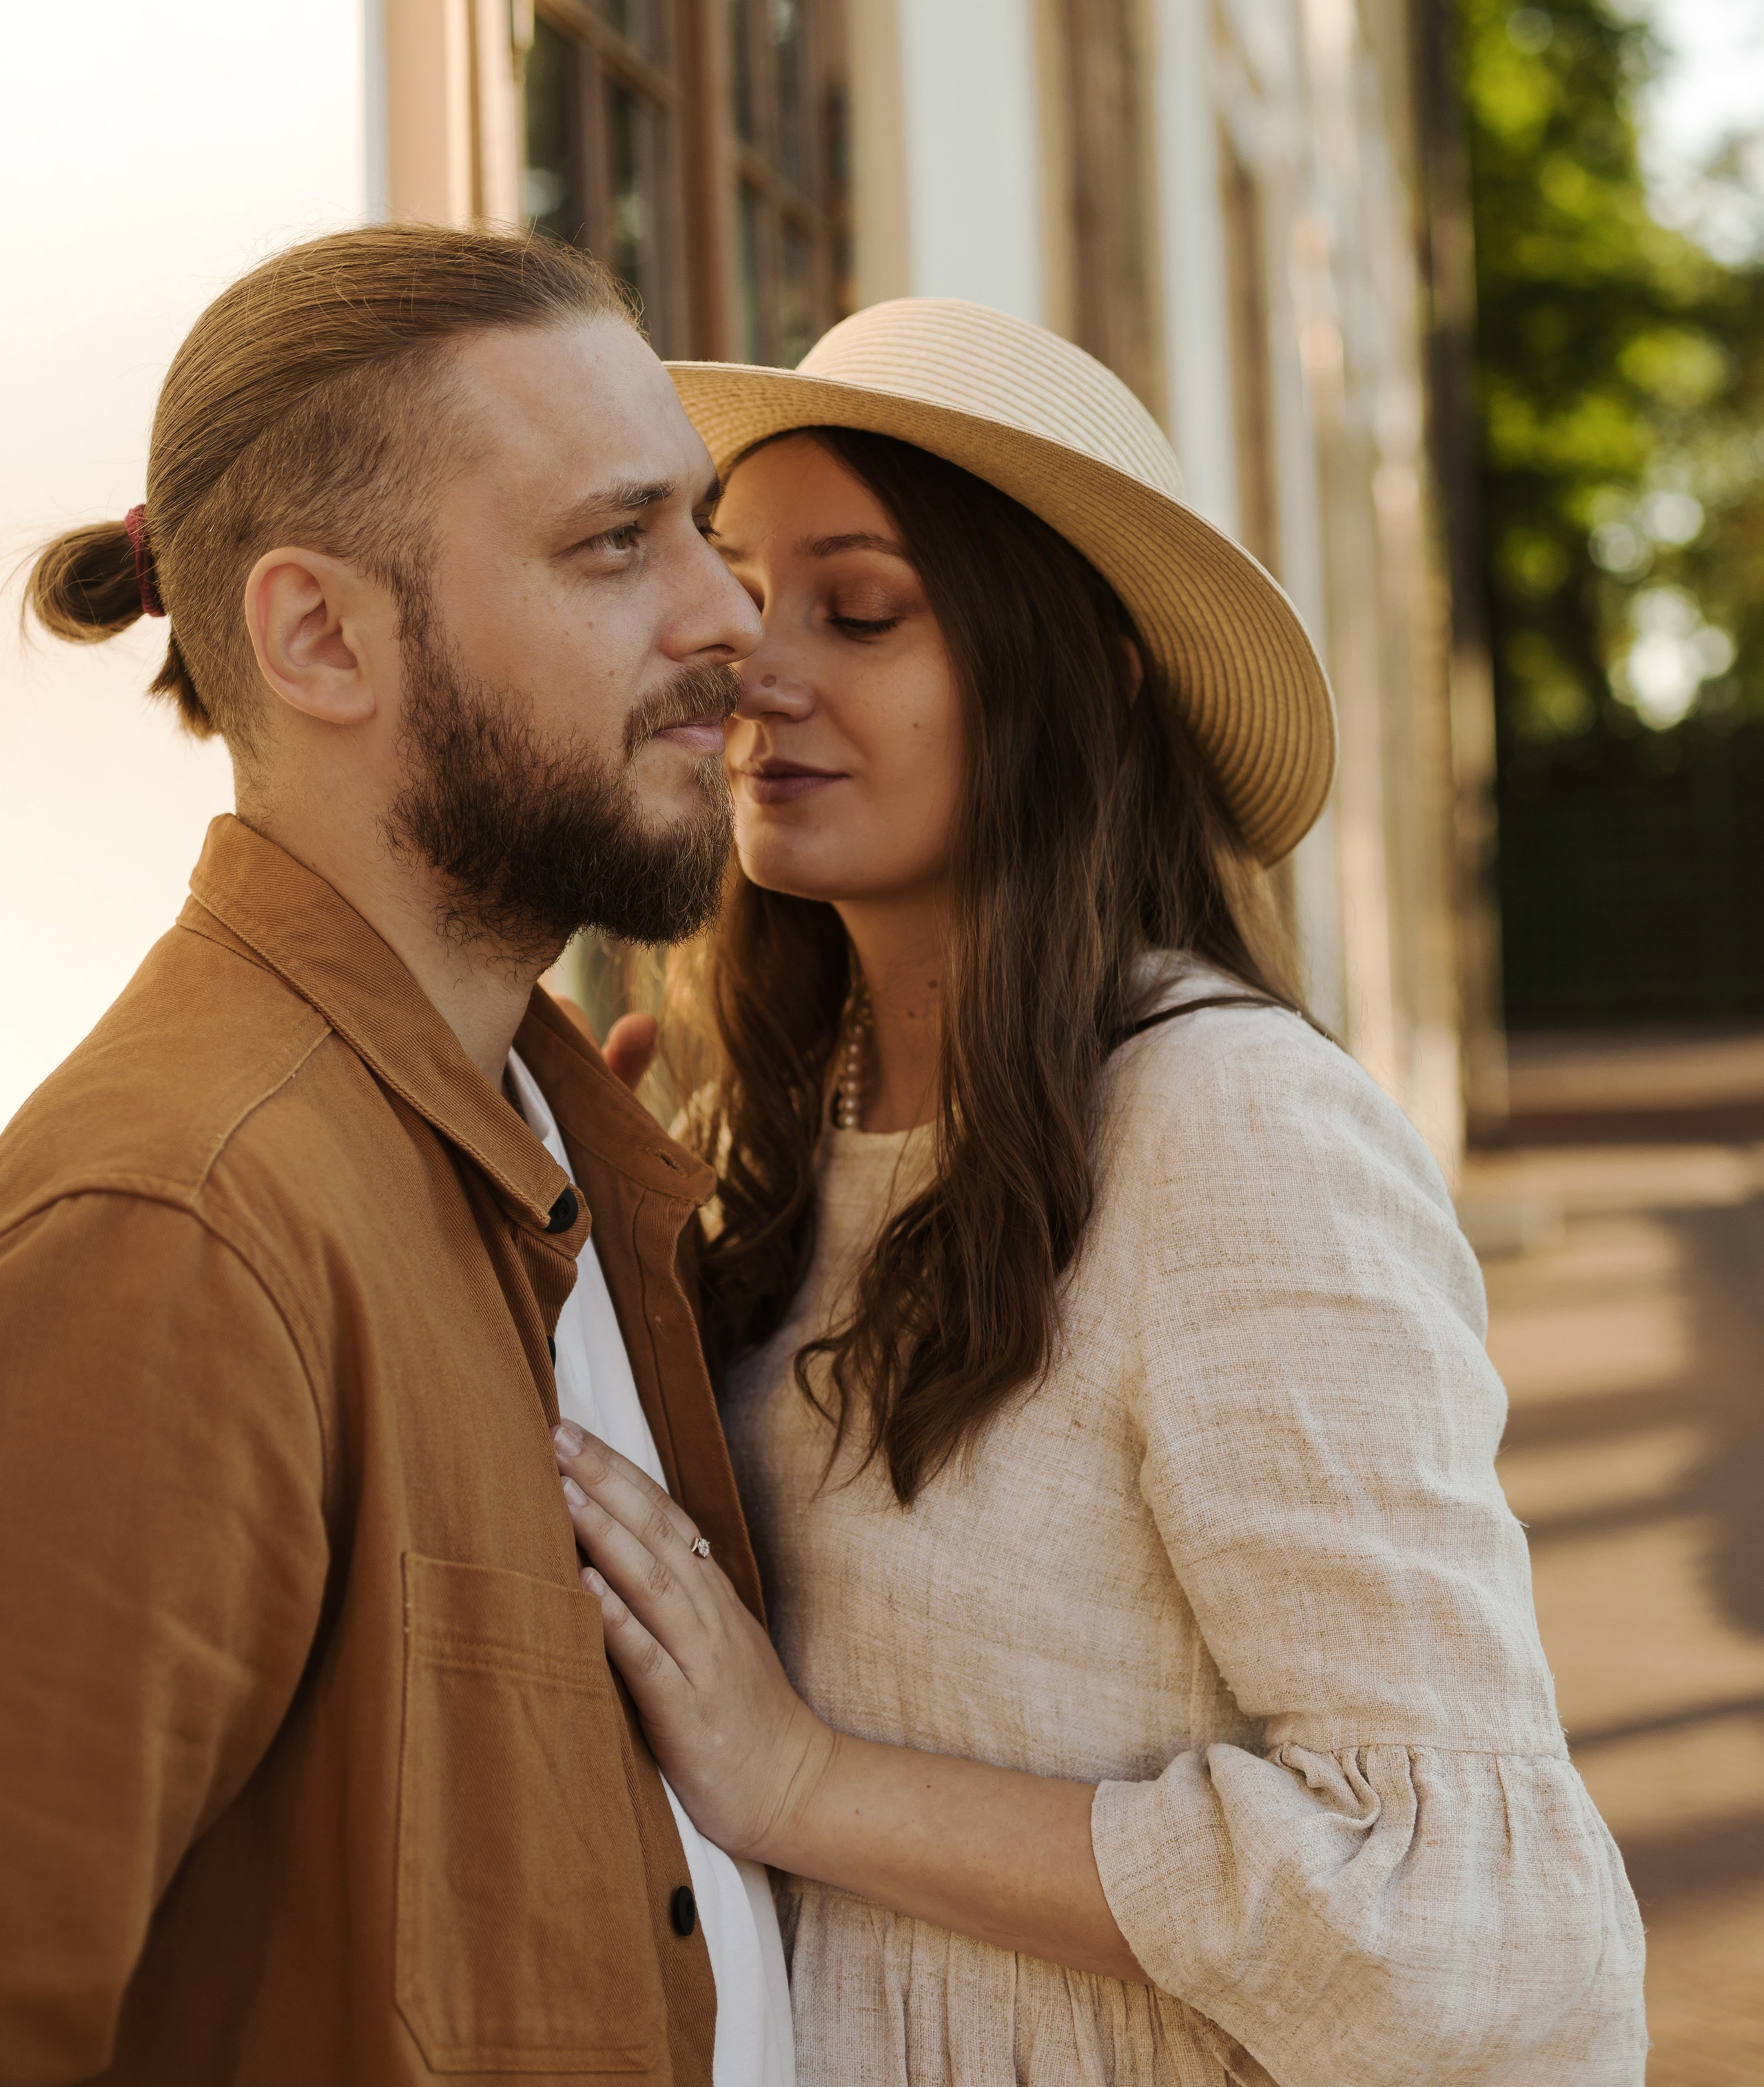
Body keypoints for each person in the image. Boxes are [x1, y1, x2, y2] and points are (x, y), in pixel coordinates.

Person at [546, 301, 1648, 2086]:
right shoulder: (785, 1128)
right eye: (742, 592)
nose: (760, 665)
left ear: (1087, 674)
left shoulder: (1231, 1133)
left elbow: (1488, 1936)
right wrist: (591, 1307)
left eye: (864, 607)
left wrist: (811, 1785)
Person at [0, 227, 794, 2087]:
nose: (728, 620)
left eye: (702, 525)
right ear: (318, 636)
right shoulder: (183, 1233)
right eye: (619, 543)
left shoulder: (556, 1141)